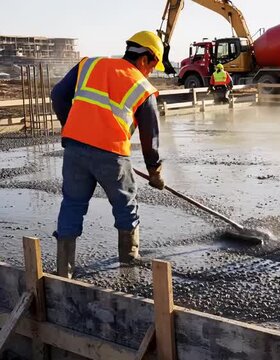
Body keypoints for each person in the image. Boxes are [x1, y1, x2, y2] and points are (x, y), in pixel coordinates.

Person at [50, 30, 166, 278]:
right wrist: (154, 171)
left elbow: (58, 95)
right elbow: (150, 137)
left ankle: (63, 272)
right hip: (112, 154)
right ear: (145, 58)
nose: (152, 72)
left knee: (72, 204)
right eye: (153, 65)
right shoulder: (142, 87)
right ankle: (129, 268)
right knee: (125, 207)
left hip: (75, 150)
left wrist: (71, 127)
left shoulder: (89, 64)